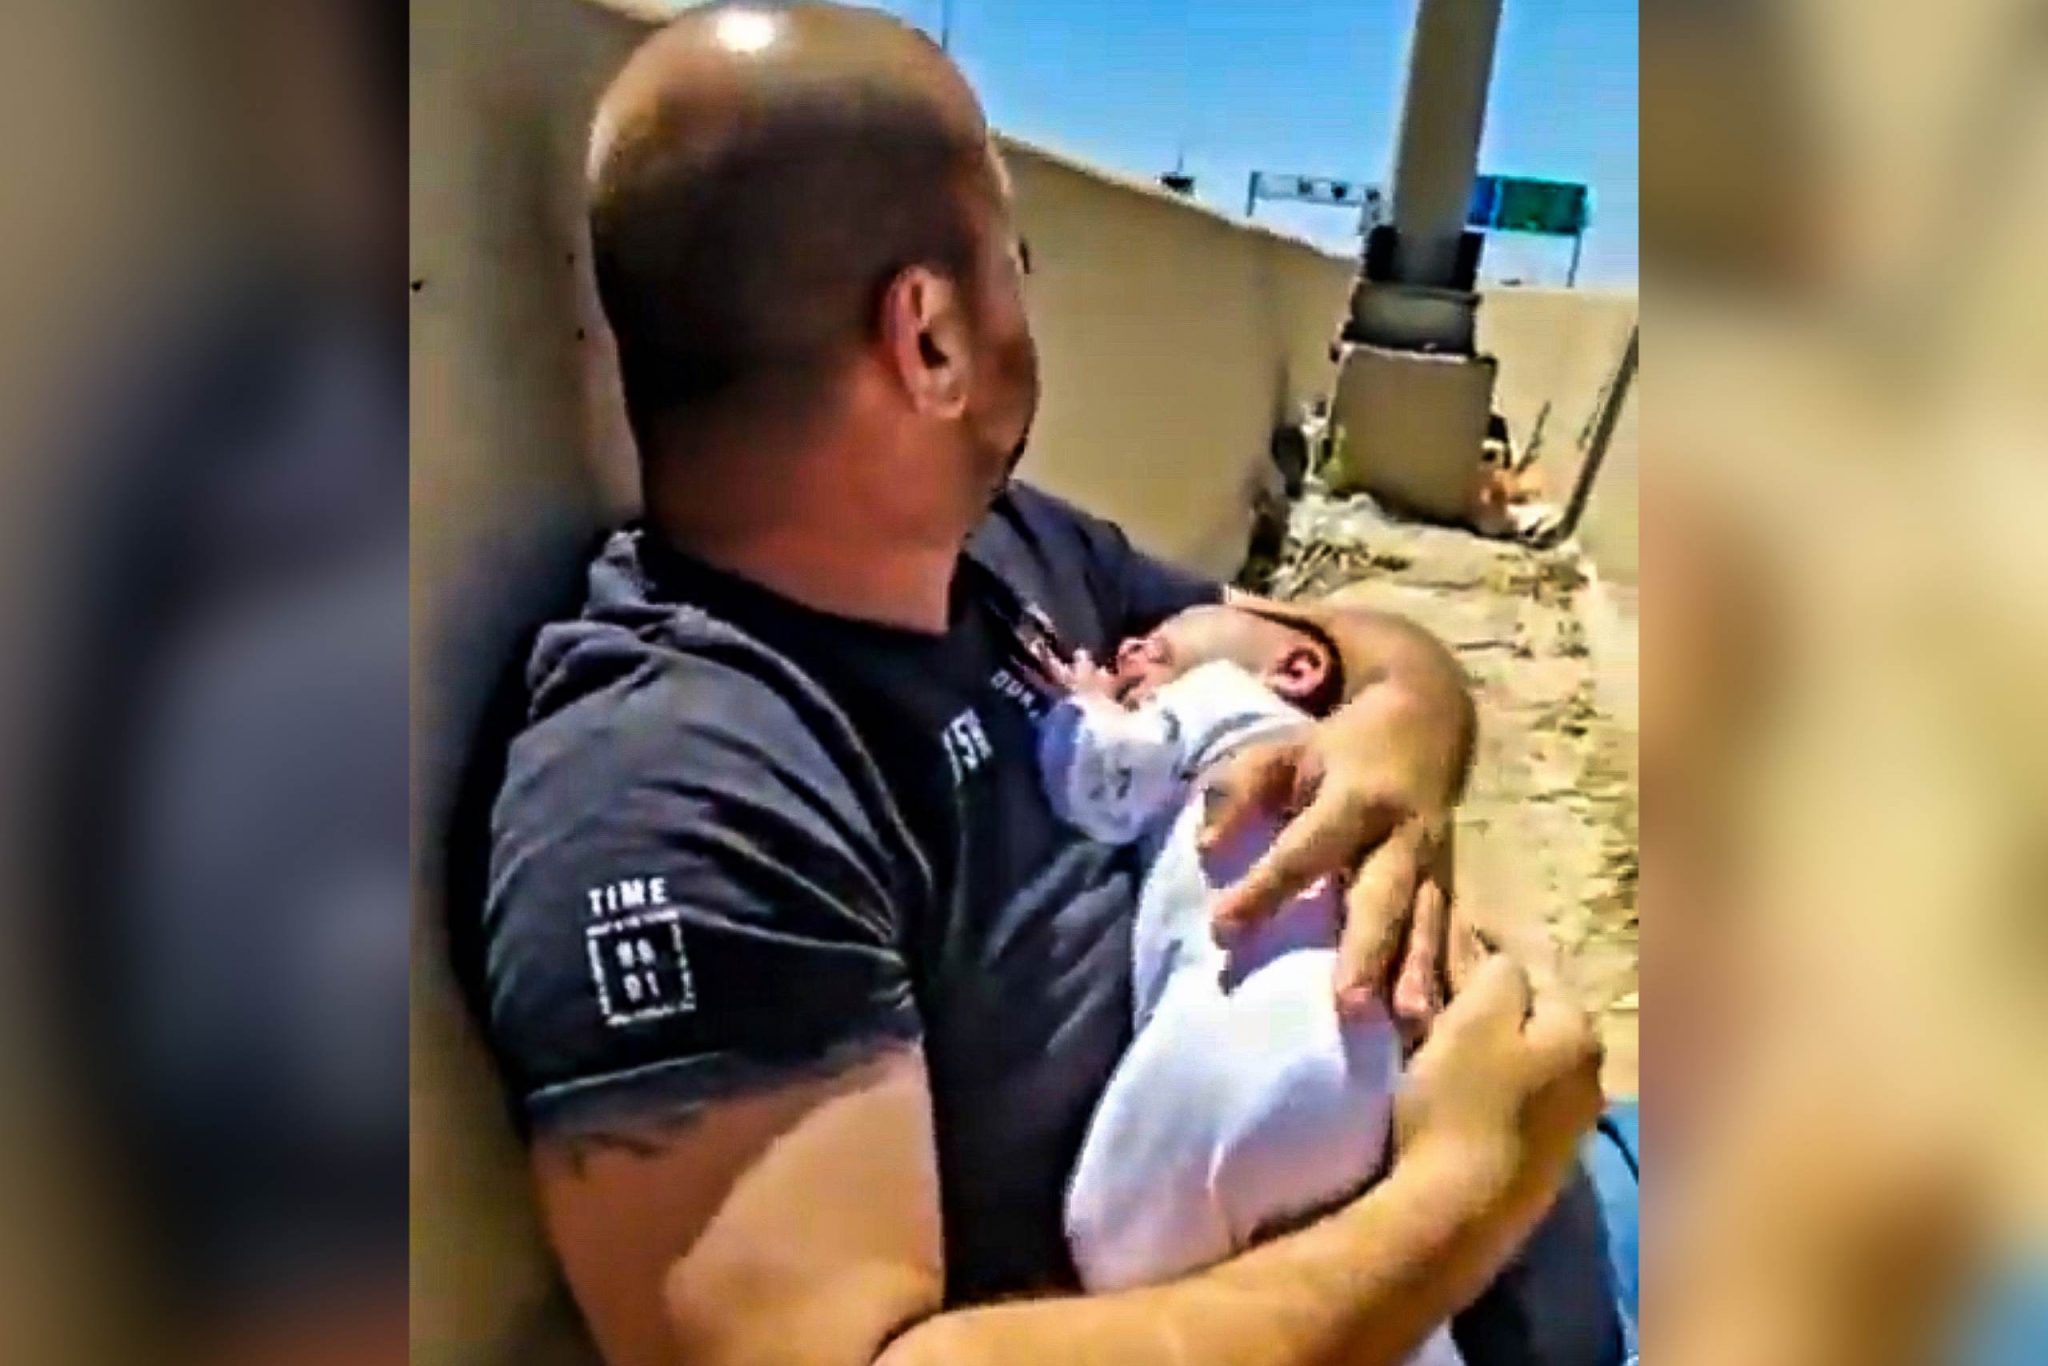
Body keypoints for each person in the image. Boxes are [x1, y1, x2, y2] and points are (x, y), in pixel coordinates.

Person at [474, 5, 1615, 1365]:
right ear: (930, 339)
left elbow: (1353, 643)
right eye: (1014, 264)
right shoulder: (679, 794)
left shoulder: (1001, 551)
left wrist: (1399, 741)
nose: (1031, 305)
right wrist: (1467, 1188)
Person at [1041, 604, 1465, 1366]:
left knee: (1120, 1245)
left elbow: (1101, 779)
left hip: (1236, 1033)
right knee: (1391, 1318)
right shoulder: (1297, 745)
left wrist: (1086, 705)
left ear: (1294, 670)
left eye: (1158, 642)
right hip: (1361, 1055)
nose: (1128, 646)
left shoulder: (1219, 700)